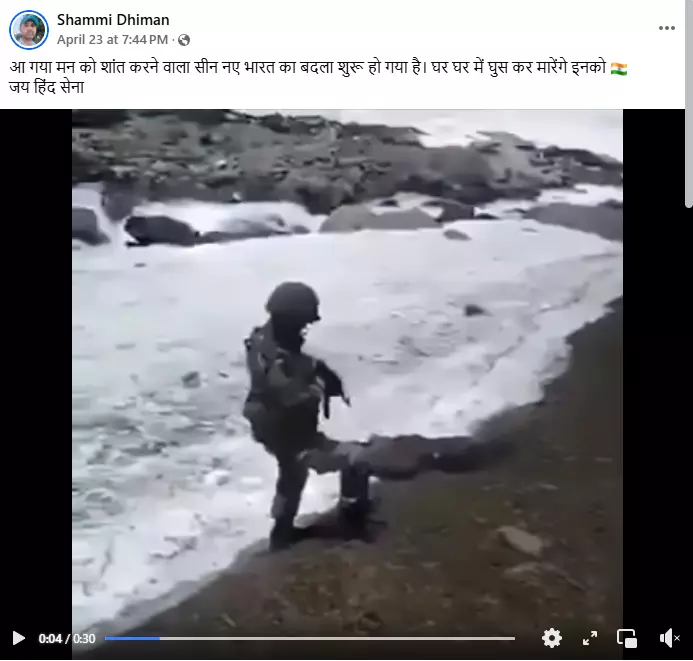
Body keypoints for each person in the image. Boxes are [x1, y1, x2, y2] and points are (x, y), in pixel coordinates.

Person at [242, 281, 371, 550]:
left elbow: (294, 363)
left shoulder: (266, 342)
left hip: (285, 430)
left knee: (292, 476)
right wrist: (318, 385)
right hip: (286, 432)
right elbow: (288, 393)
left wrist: (318, 369)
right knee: (356, 458)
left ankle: (281, 533)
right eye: (301, 323)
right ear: (288, 319)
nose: (304, 329)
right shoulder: (270, 358)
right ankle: (351, 521)